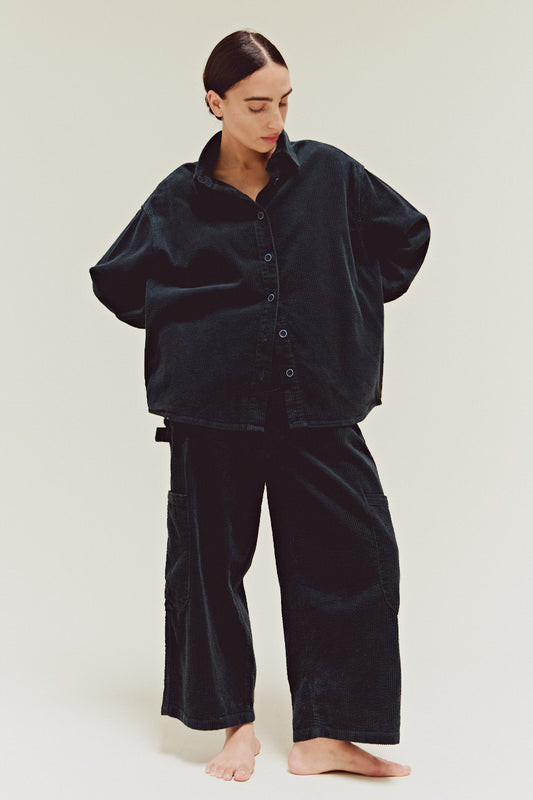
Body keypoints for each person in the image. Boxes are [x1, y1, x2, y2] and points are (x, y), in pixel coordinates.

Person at [89, 29, 430, 783]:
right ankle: (234, 727)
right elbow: (117, 280)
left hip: (318, 402)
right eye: (255, 105)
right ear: (215, 103)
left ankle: (325, 735)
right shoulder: (178, 198)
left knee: (357, 555)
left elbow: (406, 236)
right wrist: (197, 330)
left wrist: (341, 305)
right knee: (210, 568)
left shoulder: (332, 175)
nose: (274, 119)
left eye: (283, 102)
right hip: (211, 411)